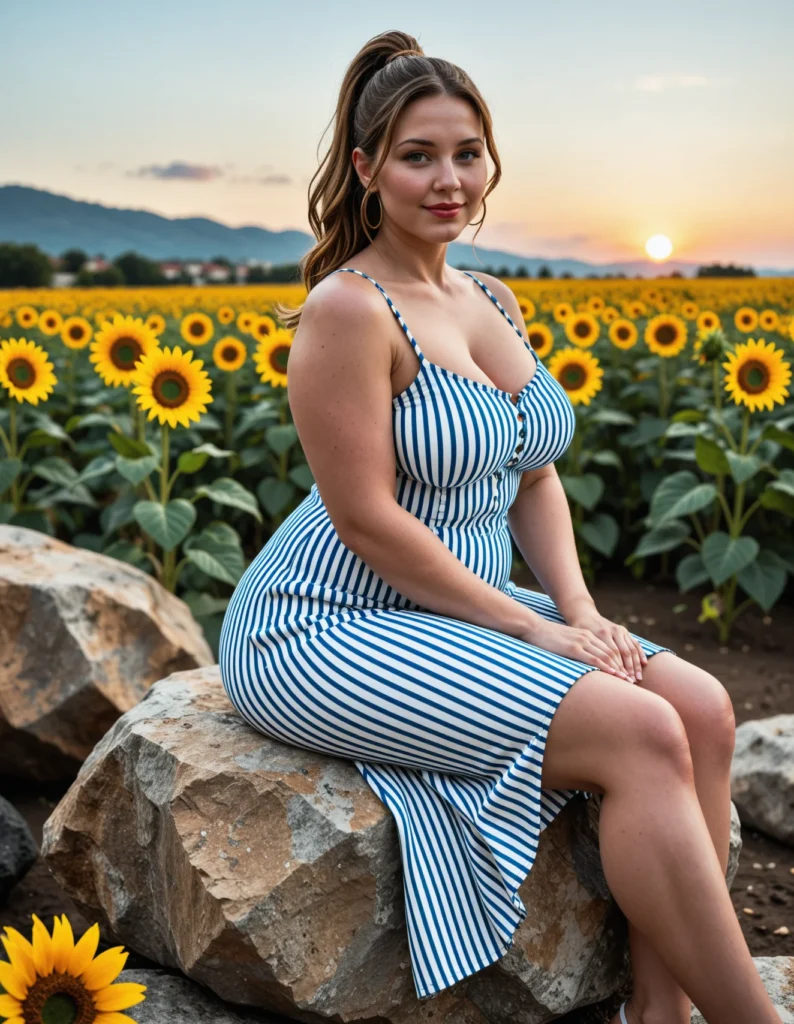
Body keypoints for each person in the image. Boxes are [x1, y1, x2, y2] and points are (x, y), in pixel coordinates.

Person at [219, 30, 780, 1023]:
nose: (447, 179)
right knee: (642, 729)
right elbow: (366, 520)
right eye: (416, 155)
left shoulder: (486, 296)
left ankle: (663, 1013)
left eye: (465, 153)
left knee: (697, 707)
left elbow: (534, 471)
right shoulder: (347, 312)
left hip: (456, 606)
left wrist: (578, 609)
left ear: (490, 160)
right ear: (365, 168)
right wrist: (531, 629)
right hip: (322, 621)